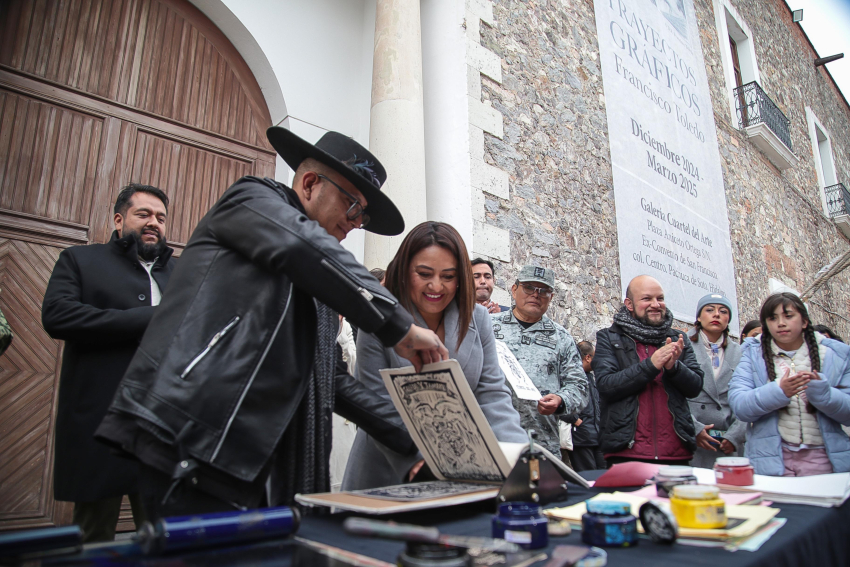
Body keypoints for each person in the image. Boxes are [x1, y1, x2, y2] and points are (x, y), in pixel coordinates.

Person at [96, 129, 448, 519]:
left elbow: (331, 378)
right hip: (192, 445)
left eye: (362, 214)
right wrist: (398, 324)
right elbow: (299, 244)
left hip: (274, 473)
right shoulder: (250, 198)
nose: (356, 223)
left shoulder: (325, 281)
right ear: (310, 183)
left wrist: (420, 443)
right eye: (351, 205)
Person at [342, 222, 526, 489]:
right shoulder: (381, 319)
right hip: (389, 469)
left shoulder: (480, 319)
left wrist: (517, 455)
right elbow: (375, 401)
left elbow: (492, 396)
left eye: (448, 276)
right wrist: (422, 460)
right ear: (405, 271)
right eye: (424, 273)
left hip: (466, 470)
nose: (436, 286)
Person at [41, 184, 175, 542]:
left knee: (164, 537)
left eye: (161, 218)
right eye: (143, 214)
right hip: (100, 421)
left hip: (164, 426)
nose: (154, 223)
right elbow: (57, 315)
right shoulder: (80, 260)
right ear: (119, 220)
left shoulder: (183, 273)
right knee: (93, 538)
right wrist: (149, 318)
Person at [729, 293, 850, 476]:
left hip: (823, 457)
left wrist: (823, 395)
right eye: (772, 318)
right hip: (769, 458)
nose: (781, 323)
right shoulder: (752, 354)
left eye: (788, 316)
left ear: (804, 321)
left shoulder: (836, 354)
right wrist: (778, 392)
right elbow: (740, 406)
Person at [593, 275, 703, 466]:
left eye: (660, 298)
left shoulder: (678, 338)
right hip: (626, 452)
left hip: (676, 453)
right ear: (629, 304)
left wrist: (673, 367)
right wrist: (651, 365)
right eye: (647, 299)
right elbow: (606, 385)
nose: (656, 304)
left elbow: (695, 387)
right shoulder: (609, 337)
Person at [490, 265, 588, 458]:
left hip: (541, 442)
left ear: (551, 297)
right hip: (492, 437)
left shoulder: (561, 338)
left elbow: (579, 386)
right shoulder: (488, 326)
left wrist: (561, 400)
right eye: (528, 287)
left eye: (543, 291)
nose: (536, 294)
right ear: (514, 289)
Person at [688, 294, 745, 468]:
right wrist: (694, 428)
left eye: (723, 311)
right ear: (698, 317)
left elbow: (745, 398)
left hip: (727, 445)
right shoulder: (682, 346)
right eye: (709, 310)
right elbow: (672, 396)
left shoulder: (740, 353)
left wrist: (735, 435)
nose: (716, 315)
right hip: (693, 442)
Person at [565, 341, 606, 471]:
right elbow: (561, 401)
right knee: (587, 474)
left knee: (603, 473)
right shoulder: (570, 377)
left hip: (597, 435)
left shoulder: (590, 377)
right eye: (595, 357)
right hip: (581, 436)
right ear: (588, 357)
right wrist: (575, 420)